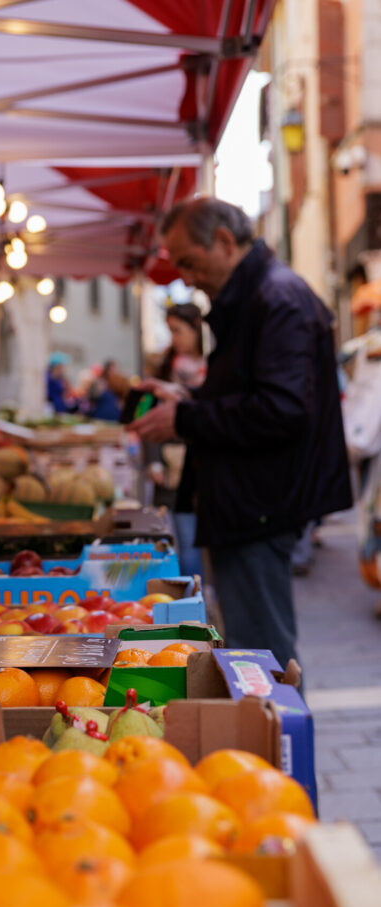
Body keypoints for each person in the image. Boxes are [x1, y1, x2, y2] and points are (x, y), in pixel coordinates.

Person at [132, 197, 352, 669]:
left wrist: (186, 419)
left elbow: (280, 409)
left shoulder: (276, 298)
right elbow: (254, 397)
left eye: (189, 262)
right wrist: (187, 401)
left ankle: (280, 743)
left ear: (225, 242)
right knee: (256, 652)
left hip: (260, 506)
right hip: (250, 504)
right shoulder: (260, 297)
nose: (187, 279)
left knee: (261, 660)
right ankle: (270, 738)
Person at [147, 304, 206, 576]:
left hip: (209, 466)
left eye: (178, 330)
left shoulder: (214, 366)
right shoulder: (164, 370)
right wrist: (153, 460)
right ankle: (195, 603)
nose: (175, 338)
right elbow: (148, 418)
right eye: (170, 331)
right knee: (187, 540)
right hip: (174, 471)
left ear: (196, 328)